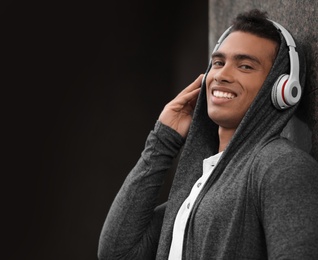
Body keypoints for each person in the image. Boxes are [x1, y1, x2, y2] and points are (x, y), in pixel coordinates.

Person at [98, 9, 318, 260]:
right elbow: (118, 251)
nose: (222, 75)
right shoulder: (199, 188)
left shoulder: (281, 167)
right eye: (218, 63)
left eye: (245, 66)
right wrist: (162, 141)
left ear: (282, 88)